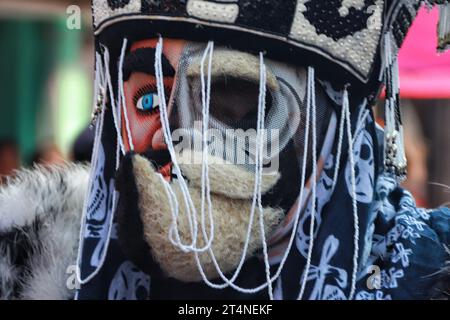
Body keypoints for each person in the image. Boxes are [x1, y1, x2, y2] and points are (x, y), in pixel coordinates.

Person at [0, 0, 449, 300]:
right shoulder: (29, 271)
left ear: (333, 128)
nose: (166, 137)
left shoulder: (430, 276)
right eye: (148, 100)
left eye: (227, 97)